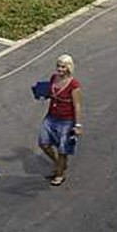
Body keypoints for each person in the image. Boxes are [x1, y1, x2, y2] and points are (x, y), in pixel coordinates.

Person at [36, 53, 83, 185]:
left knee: (63, 149)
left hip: (66, 120)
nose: (60, 69)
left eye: (63, 67)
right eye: (58, 66)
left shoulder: (74, 85)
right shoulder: (53, 78)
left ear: (69, 68)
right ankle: (58, 163)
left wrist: (78, 125)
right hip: (51, 117)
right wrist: (42, 93)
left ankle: (60, 174)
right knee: (43, 143)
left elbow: (77, 105)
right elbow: (51, 93)